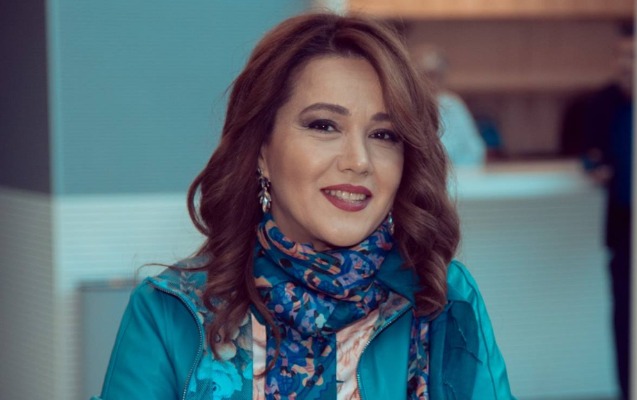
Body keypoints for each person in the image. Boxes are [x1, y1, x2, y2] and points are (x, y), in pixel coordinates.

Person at [93, 12, 514, 400]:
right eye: (324, 125)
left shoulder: (443, 298)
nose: (359, 161)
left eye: (384, 135)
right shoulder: (169, 313)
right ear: (262, 150)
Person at [579, 25, 633, 400]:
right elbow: (587, 152)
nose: (627, 64)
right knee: (626, 317)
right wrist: (594, 165)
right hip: (625, 226)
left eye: (634, 56)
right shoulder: (602, 103)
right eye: (622, 56)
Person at [413, 45, 487, 167]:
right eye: (427, 74)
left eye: (437, 75)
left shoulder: (453, 104)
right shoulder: (408, 105)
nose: (432, 81)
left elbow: (475, 150)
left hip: (458, 173)